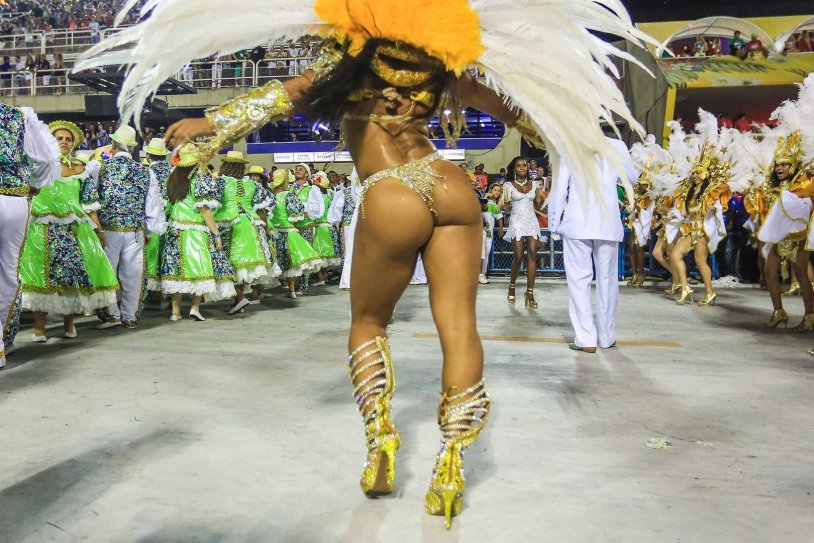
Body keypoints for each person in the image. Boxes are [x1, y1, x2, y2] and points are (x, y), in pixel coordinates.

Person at [82, 0, 652, 528]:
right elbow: (514, 111)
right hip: (452, 184)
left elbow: (291, 94)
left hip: (390, 192)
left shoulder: (354, 51)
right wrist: (573, 131)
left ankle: (380, 439)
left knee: (369, 321)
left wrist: (212, 125)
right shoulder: (442, 61)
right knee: (459, 325)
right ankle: (451, 465)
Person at [20, 121, 119, 342]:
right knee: (40, 278)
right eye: (59, 138)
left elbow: (89, 204)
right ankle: (39, 328)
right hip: (41, 230)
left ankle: (69, 323)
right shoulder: (37, 167)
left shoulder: (79, 170)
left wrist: (99, 230)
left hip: (74, 232)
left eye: (68, 139)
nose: (64, 142)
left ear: (73, 144)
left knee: (72, 277)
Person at [549, 137, 637, 353]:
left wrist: (554, 223)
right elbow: (633, 178)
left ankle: (585, 338)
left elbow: (559, 188)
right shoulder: (617, 145)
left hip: (577, 221)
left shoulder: (568, 143)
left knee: (579, 280)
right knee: (608, 280)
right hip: (607, 222)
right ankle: (607, 336)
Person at [0, 103, 61, 368]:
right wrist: (33, 185)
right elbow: (47, 159)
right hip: (15, 200)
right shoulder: (19, 116)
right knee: (8, 271)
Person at [95, 125, 166, 329]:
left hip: (108, 230)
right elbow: (152, 205)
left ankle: (112, 314)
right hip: (135, 231)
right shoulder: (145, 173)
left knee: (107, 272)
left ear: (114, 145)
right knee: (133, 275)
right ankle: (130, 316)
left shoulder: (100, 168)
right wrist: (150, 231)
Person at [161, 144, 234, 321]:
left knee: (177, 270)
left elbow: (167, 206)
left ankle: (175, 311)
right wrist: (216, 233)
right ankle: (195, 307)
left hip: (175, 230)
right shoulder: (199, 180)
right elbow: (205, 210)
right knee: (201, 267)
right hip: (196, 231)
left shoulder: (171, 180)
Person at [266, 168, 323, 298]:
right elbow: (296, 212)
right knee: (293, 261)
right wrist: (304, 213)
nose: (297, 171)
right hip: (289, 231)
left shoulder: (271, 197)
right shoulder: (288, 194)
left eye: (300, 170)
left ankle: (297, 288)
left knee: (281, 260)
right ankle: (292, 290)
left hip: (276, 232)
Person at [503, 156, 545, 308]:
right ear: (514, 169)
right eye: (518, 165)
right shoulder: (508, 185)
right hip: (517, 222)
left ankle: (530, 292)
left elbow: (539, 205)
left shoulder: (534, 185)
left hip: (531, 221)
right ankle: (512, 285)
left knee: (533, 253)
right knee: (519, 255)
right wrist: (506, 203)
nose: (522, 167)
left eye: (524, 165)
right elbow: (507, 209)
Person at [143, 138, 172, 295]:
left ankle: (151, 292)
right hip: (172, 217)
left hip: (153, 217)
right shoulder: (173, 171)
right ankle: (166, 292)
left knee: (152, 253)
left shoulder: (147, 172)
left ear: (148, 156)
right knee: (167, 251)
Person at [480, 183, 503, 284]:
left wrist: (501, 229)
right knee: (482, 254)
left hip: (488, 233)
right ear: (490, 190)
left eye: (499, 190)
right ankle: (480, 274)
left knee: (486, 253)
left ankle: (482, 274)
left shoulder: (493, 204)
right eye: (495, 190)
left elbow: (499, 216)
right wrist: (485, 198)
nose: (497, 192)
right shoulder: (484, 202)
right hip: (480, 232)